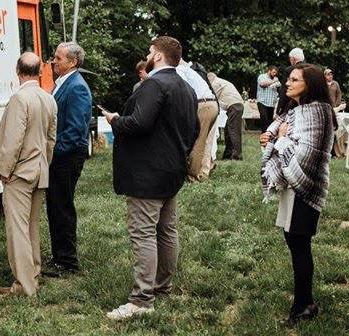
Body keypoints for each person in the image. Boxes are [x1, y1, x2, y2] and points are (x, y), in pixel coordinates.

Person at [101, 36, 198, 321]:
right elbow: (195, 128)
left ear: (156, 55)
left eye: (149, 51)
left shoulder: (154, 84)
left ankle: (142, 299)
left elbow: (140, 122)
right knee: (167, 230)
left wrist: (115, 120)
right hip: (172, 169)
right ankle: (162, 285)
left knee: (143, 233)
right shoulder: (186, 87)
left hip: (148, 172)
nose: (148, 54)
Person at [260, 63, 335, 326]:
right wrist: (272, 133)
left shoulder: (319, 112)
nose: (288, 83)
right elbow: (280, 124)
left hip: (306, 185)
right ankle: (304, 300)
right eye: (288, 79)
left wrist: (279, 140)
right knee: (294, 241)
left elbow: (306, 155)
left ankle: (303, 305)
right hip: (293, 185)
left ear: (310, 84)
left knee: (299, 243)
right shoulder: (298, 110)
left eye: (294, 80)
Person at [0, 52, 57, 297]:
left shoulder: (19, 98)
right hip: (39, 171)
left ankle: (24, 286)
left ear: (17, 70)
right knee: (32, 227)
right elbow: (51, 139)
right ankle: (33, 276)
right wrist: (44, 164)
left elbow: (13, 141)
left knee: (17, 230)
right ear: (40, 71)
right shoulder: (49, 98)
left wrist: (4, 171)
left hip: (19, 174)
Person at [43, 42, 92, 277]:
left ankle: (67, 262)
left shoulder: (77, 88)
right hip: (61, 155)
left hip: (67, 157)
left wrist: (50, 154)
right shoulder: (63, 83)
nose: (53, 61)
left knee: (61, 206)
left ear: (72, 62)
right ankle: (59, 255)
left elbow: (74, 131)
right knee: (55, 205)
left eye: (58, 58)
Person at [176, 59, 218, 180]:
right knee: (205, 141)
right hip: (211, 103)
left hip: (202, 104)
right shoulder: (188, 69)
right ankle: (203, 173)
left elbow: (184, 91)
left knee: (197, 142)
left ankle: (193, 176)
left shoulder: (179, 70)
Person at [208, 71, 245, 160]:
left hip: (234, 106)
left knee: (233, 131)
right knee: (229, 130)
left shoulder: (215, 83)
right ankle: (228, 154)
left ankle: (236, 156)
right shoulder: (222, 81)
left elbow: (212, 97)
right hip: (236, 105)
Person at [277, 47, 305, 114]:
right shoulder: (312, 69)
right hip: (307, 104)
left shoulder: (289, 70)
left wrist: (279, 109)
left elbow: (284, 90)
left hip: (291, 105)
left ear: (293, 59)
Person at [257, 65, 280, 131]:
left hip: (271, 103)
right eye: (273, 72)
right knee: (264, 119)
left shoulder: (275, 79)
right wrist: (273, 81)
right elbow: (262, 84)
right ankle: (264, 134)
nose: (275, 74)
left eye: (275, 73)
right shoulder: (262, 76)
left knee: (270, 121)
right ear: (269, 71)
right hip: (262, 102)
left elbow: (279, 86)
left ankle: (268, 136)